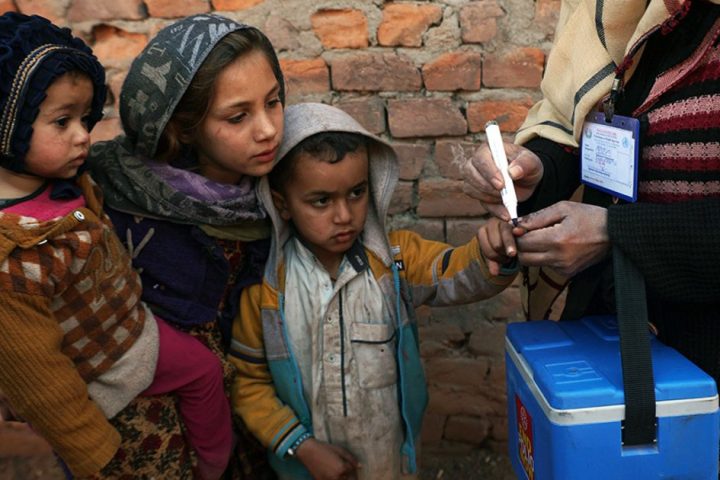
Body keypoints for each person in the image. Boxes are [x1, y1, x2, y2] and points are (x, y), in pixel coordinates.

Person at [0, 12, 235, 479]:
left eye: (85, 119)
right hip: (102, 365)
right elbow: (40, 381)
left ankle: (213, 465)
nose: (83, 136)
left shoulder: (63, 183)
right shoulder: (13, 260)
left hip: (132, 331)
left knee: (206, 371)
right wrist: (94, 453)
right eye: (62, 121)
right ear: (9, 127)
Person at [228, 102, 518, 480]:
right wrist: (304, 447)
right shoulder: (266, 292)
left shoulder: (393, 262)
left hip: (387, 462)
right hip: (304, 467)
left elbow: (456, 273)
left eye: (356, 193)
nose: (344, 215)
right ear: (282, 204)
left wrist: (491, 254)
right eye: (321, 201)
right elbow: (248, 384)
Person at [463, 1, 720, 382]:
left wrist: (614, 232)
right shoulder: (618, 13)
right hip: (611, 344)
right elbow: (583, 127)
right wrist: (539, 169)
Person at [86, 12, 285, 479]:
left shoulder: (286, 185)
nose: (268, 129)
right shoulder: (109, 196)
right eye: (238, 116)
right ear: (182, 127)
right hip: (149, 419)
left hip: (253, 409)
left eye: (274, 102)